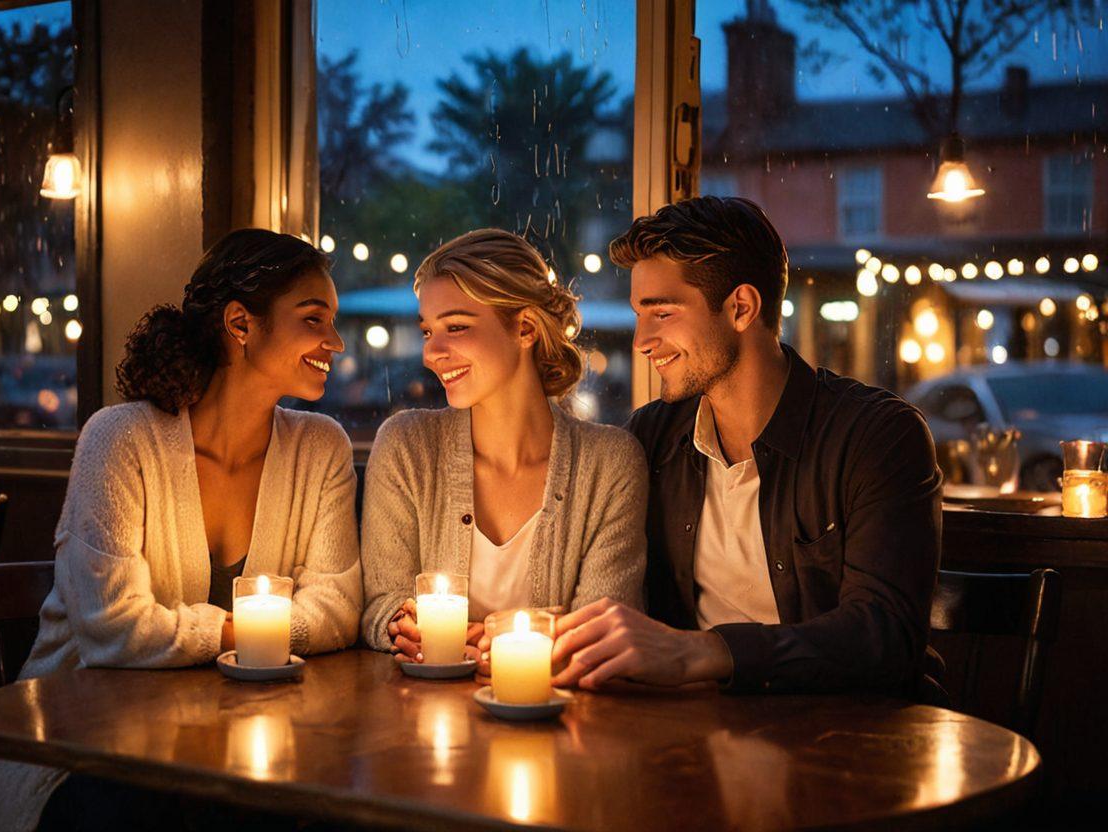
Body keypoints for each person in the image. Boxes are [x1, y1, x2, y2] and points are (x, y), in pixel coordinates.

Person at [0, 229, 363, 832]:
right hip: (83, 753)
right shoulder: (121, 441)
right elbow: (114, 629)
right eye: (314, 319)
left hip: (247, 753)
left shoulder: (320, 449)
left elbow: (340, 609)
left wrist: (213, 633)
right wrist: (248, 632)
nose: (335, 342)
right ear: (241, 324)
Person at [551, 196, 942, 696]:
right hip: (701, 738)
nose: (642, 341)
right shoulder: (651, 438)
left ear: (741, 308)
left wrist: (704, 651)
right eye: (639, 315)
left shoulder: (877, 436)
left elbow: (885, 636)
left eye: (663, 314)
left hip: (857, 738)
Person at [360, 229, 647, 664]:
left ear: (526, 327)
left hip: (565, 721)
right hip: (424, 720)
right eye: (426, 331)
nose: (432, 353)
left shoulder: (610, 464)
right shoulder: (407, 447)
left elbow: (599, 631)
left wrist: (490, 635)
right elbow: (382, 603)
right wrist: (401, 624)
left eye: (455, 327)